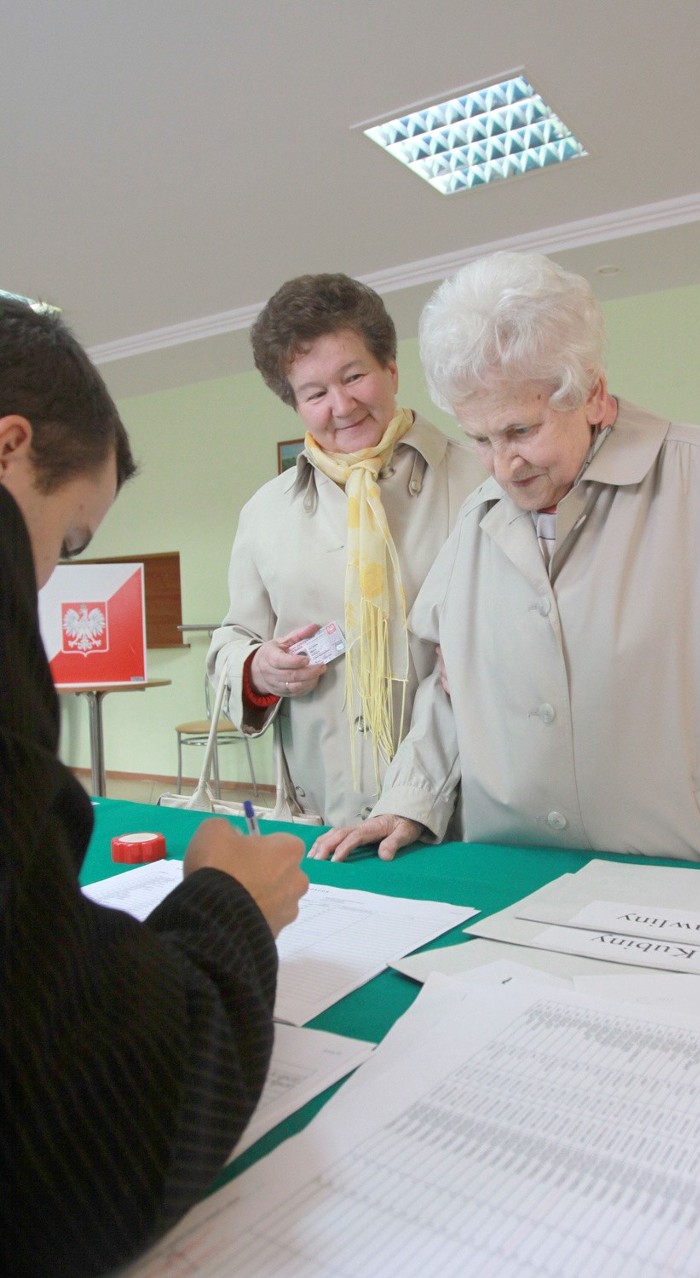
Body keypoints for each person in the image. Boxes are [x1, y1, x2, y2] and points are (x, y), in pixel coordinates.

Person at [311, 251, 700, 938]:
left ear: (592, 394)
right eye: (479, 438)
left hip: (698, 889)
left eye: (521, 430)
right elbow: (449, 692)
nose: (503, 465)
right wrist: (410, 799)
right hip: (518, 882)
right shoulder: (479, 517)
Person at [0, 296, 309, 1277]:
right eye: (71, 541)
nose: (49, 578)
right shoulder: (268, 513)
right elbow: (75, 1132)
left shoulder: (463, 499)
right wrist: (232, 911)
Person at [208, 273, 484, 826]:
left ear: (391, 369)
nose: (342, 404)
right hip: (323, 816)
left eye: (354, 376)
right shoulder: (265, 513)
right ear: (295, 404)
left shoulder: (482, 480)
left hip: (465, 815)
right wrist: (259, 668)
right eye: (314, 393)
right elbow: (231, 641)